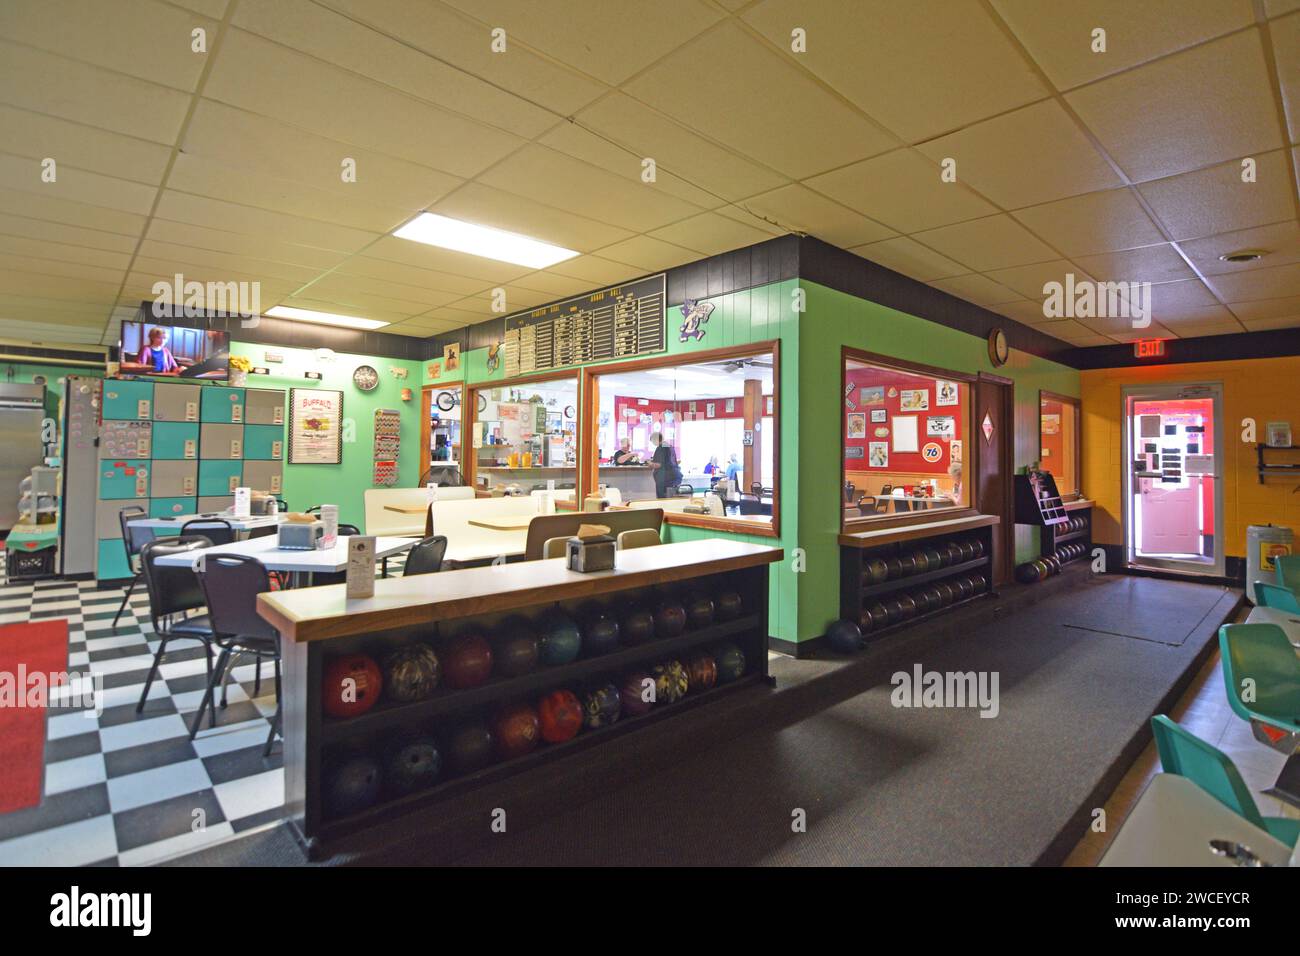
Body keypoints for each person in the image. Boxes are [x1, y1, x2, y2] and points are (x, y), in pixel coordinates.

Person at [648, 431, 682, 498]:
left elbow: (659, 464)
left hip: (665, 479)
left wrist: (650, 463)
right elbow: (670, 461)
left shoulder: (660, 448)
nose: (653, 443)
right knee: (670, 500)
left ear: (655, 440)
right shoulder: (668, 446)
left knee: (663, 500)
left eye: (652, 441)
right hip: (674, 477)